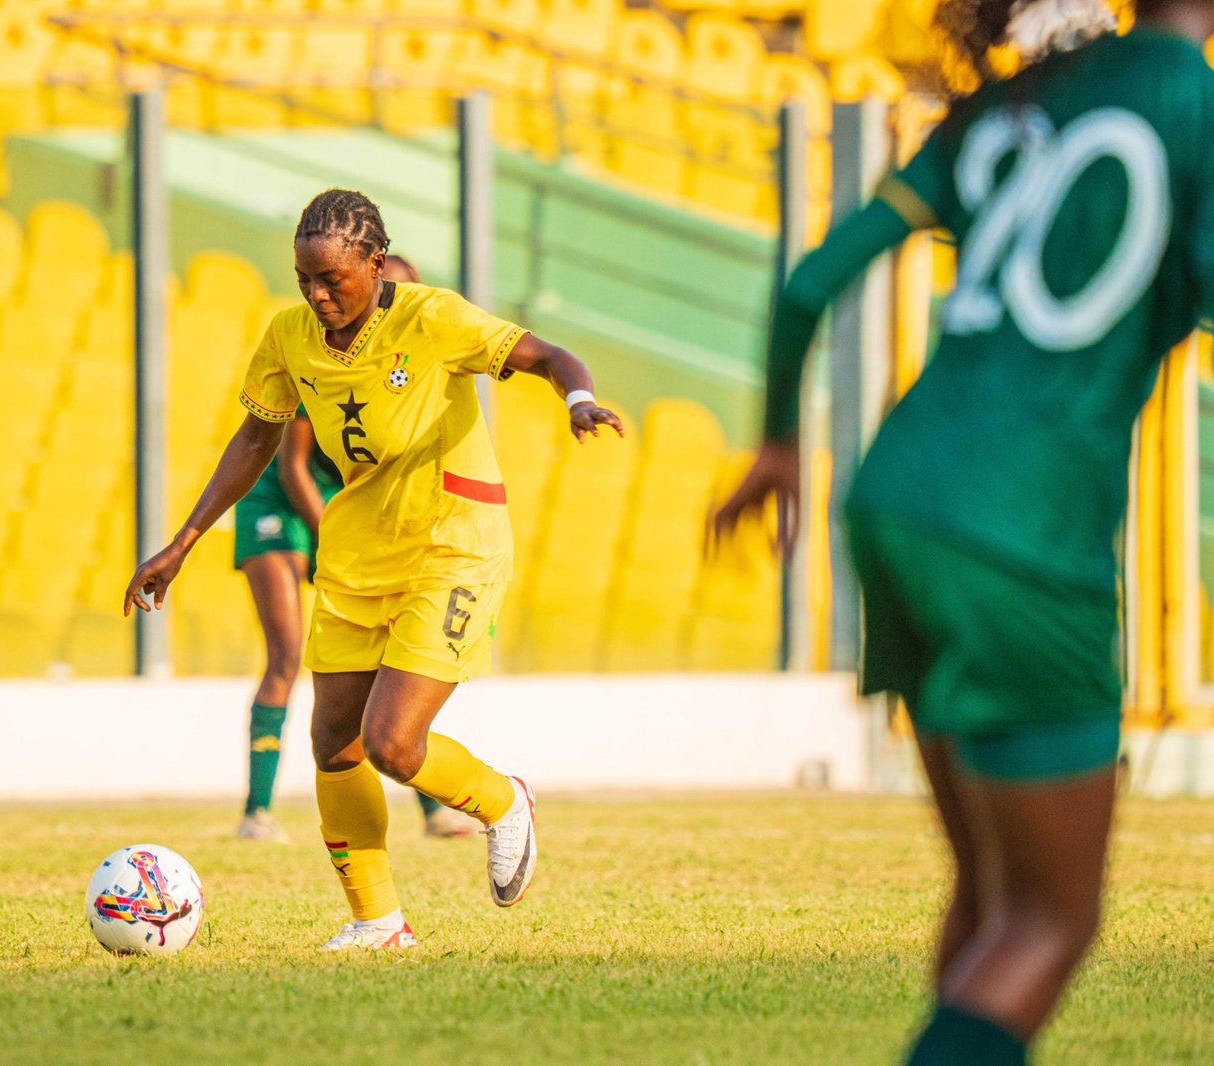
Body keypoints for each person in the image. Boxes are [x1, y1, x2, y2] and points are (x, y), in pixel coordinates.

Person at [713, 1, 1214, 1062]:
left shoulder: (1012, 100)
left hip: (893, 495)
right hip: (1022, 534)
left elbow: (808, 284)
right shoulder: (1195, 112)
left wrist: (775, 446)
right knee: (1051, 919)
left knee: (992, 897)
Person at [127, 188, 623, 950]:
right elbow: (256, 441)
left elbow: (548, 356)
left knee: (392, 744)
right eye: (304, 279)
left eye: (334, 279)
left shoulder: (431, 317)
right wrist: (182, 543)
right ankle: (377, 923)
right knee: (334, 742)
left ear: (374, 261)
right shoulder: (290, 337)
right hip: (358, 546)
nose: (318, 295)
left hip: (452, 539)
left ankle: (502, 800)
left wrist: (578, 398)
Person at [232, 254, 482, 843]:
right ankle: (257, 810)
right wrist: (345, 544)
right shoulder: (323, 352)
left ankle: (428, 810)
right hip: (277, 499)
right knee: (288, 655)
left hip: (339, 503)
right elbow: (293, 465)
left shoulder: (416, 354)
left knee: (384, 668)